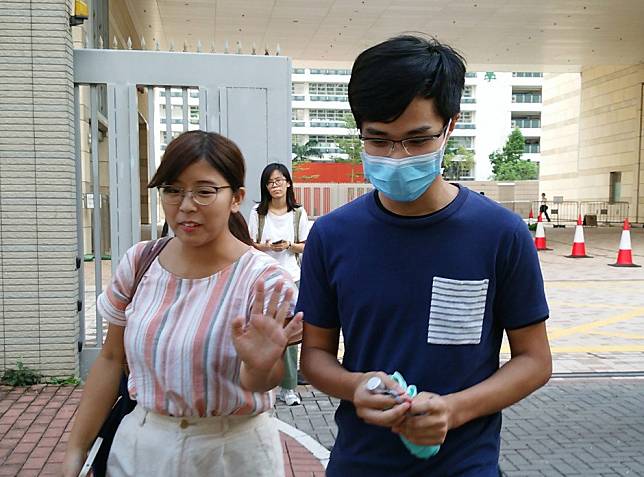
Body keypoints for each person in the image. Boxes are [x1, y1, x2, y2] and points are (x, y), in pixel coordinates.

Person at [297, 35, 552, 476]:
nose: (397, 156)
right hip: (360, 463)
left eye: (417, 139)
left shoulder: (500, 234)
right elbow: (315, 355)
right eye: (378, 140)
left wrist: (454, 410)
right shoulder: (332, 236)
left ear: (450, 126)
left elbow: (535, 360)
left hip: (463, 465)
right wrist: (355, 385)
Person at [62, 131, 302, 477]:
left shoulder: (263, 280)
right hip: (143, 448)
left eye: (204, 191)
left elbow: (260, 379)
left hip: (233, 453)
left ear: (237, 198)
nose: (186, 205)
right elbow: (111, 359)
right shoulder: (140, 262)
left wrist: (262, 365)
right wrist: (75, 450)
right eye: (172, 190)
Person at [248, 163, 310, 406]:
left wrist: (289, 246)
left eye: (279, 181)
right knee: (262, 330)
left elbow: (306, 244)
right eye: (270, 182)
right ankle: (264, 385)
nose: (275, 186)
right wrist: (264, 247)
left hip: (290, 276)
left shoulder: (298, 213)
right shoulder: (258, 213)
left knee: (290, 333)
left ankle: (289, 387)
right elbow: (249, 244)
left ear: (288, 183)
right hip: (263, 278)